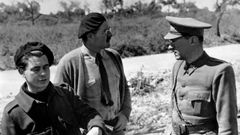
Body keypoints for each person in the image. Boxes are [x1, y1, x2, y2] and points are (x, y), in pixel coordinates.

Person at [1, 42, 106, 135]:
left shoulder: (65, 94)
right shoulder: (14, 113)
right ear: (21, 71)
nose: (43, 73)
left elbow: (90, 115)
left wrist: (95, 128)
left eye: (46, 67)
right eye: (36, 69)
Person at [53, 12, 131, 135]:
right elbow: (58, 103)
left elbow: (124, 88)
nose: (110, 34)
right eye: (105, 31)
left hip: (117, 129)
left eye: (109, 29)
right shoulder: (69, 63)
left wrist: (125, 114)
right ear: (90, 36)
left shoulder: (114, 57)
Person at [164, 16, 238, 135]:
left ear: (193, 40)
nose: (169, 47)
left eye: (174, 41)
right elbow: (174, 108)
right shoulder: (177, 67)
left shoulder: (219, 70)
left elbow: (227, 124)